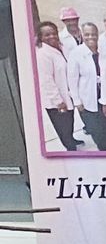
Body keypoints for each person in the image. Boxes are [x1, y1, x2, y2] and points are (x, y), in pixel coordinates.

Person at [67, 21, 106, 151]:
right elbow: (72, 79)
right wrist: (77, 101)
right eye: (87, 35)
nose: (91, 37)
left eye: (93, 34)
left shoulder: (103, 50)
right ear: (82, 34)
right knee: (96, 129)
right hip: (87, 99)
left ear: (98, 35)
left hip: (104, 97)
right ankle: (104, 150)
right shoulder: (76, 53)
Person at [35, 20, 77, 151]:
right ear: (40, 37)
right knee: (62, 125)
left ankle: (71, 139)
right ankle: (70, 148)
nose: (51, 37)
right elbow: (46, 80)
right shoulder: (42, 54)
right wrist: (58, 101)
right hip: (56, 100)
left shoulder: (60, 46)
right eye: (47, 35)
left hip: (67, 94)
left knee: (69, 120)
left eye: (53, 33)